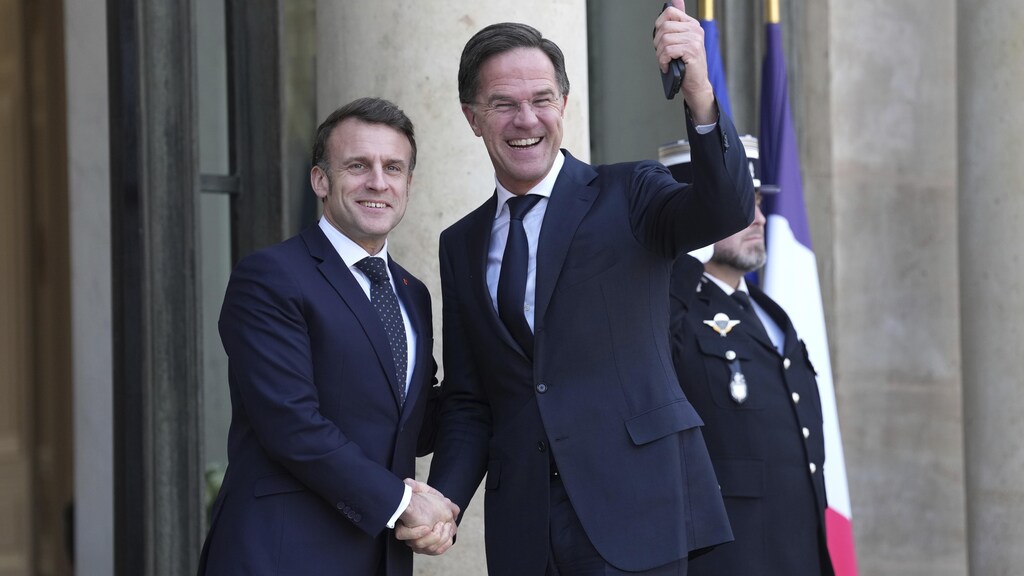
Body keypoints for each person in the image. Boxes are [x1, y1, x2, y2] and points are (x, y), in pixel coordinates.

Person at [399, 2, 756, 573]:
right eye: (504, 104)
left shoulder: (631, 193)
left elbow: (726, 209)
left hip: (639, 514)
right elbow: (471, 398)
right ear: (472, 117)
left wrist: (699, 93)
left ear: (563, 104)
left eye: (542, 100)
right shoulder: (459, 243)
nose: (526, 120)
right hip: (526, 531)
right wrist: (445, 499)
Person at [197, 97, 458, 576]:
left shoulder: (411, 293)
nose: (377, 181)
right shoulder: (271, 276)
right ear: (320, 180)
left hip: (377, 558)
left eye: (393, 167)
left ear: (408, 184)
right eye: (358, 165)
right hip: (280, 555)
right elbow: (291, 423)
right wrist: (404, 504)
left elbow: (414, 426)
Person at [668, 137, 835, 576]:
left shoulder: (769, 312)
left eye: (758, 202)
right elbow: (650, 356)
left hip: (798, 555)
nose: (759, 219)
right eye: (741, 204)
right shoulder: (673, 309)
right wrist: (688, 248)